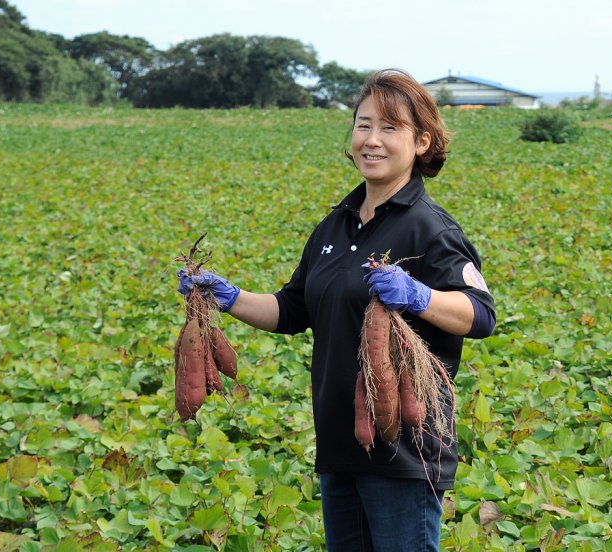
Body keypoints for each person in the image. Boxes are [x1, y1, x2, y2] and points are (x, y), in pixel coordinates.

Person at [178, 68, 495, 551]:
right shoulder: (334, 227)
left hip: (404, 451)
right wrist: (228, 295)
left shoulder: (431, 230)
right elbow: (291, 310)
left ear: (422, 142)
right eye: (363, 124)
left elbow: (480, 314)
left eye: (390, 128)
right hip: (339, 445)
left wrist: (419, 295)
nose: (372, 140)